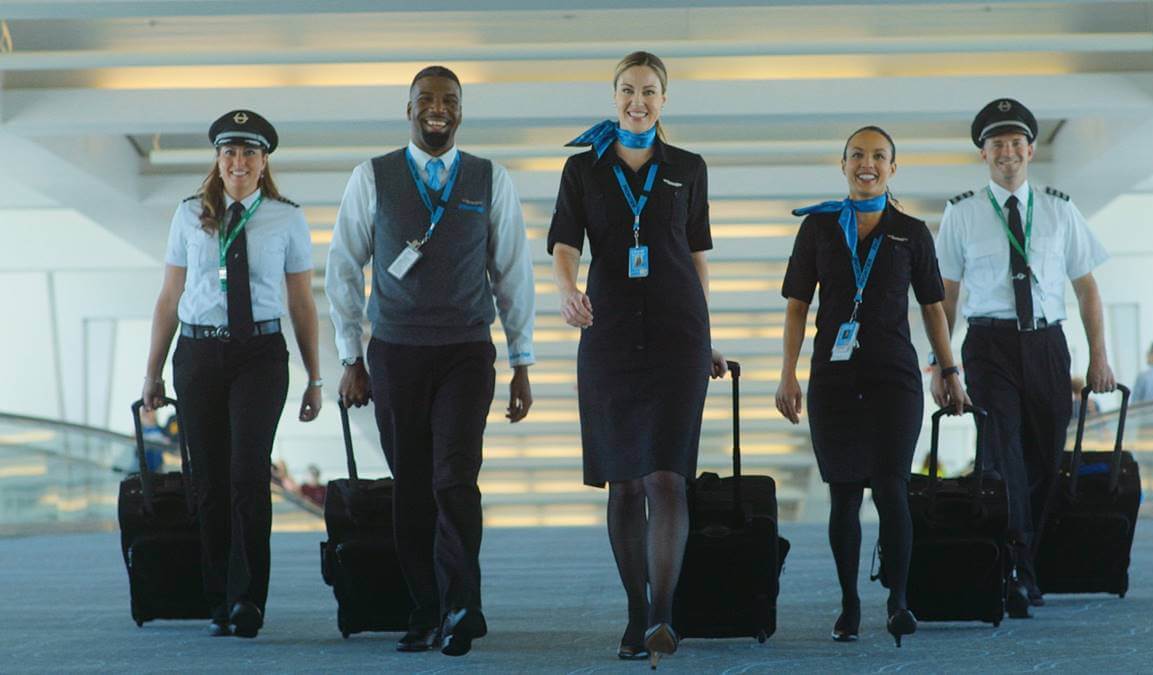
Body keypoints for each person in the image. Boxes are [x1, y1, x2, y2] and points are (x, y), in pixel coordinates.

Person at [325, 65, 536, 657]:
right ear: (408, 109)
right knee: (412, 488)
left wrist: (522, 360)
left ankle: (463, 606)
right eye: (425, 100)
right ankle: (424, 610)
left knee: (455, 479)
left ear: (461, 112)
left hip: (467, 350)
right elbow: (343, 267)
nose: (436, 108)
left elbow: (513, 270)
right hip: (394, 353)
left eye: (448, 100)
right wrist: (350, 356)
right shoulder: (373, 177)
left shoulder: (490, 179)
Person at [548, 51, 727, 667]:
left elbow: (696, 253)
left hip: (679, 334)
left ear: (664, 99)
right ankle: (633, 612)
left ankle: (663, 616)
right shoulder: (583, 169)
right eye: (628, 90)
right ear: (614, 96)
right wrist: (567, 289)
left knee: (666, 477)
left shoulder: (688, 168)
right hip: (609, 333)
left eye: (650, 91)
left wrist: (708, 333)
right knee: (624, 483)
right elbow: (565, 243)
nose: (637, 101)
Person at [776, 126, 968, 648]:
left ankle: (899, 601)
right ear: (842, 165)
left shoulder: (911, 231)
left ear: (893, 168)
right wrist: (788, 372)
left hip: (894, 379)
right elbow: (797, 306)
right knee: (842, 495)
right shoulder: (817, 228)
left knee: (891, 489)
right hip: (833, 379)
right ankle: (849, 605)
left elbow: (933, 308)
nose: (868, 163)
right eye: (858, 155)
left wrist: (948, 372)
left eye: (879, 156)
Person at [141, 109, 323, 639]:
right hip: (198, 356)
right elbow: (170, 297)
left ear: (264, 162)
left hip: (260, 355)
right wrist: (152, 373)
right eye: (229, 153)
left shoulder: (286, 218)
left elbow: (302, 303)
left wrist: (315, 377)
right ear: (218, 161)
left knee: (247, 475)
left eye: (248, 153)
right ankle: (218, 594)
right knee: (209, 481)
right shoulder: (188, 214)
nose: (238, 162)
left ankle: (247, 600)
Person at [932, 98, 1116, 617]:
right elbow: (945, 298)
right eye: (997, 145)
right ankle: (1014, 572)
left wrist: (1099, 358)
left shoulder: (1060, 209)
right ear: (983, 154)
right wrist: (940, 365)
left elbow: (1088, 290)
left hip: (1047, 346)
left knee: (1043, 458)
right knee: (1003, 455)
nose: (1007, 153)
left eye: (1016, 144)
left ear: (1031, 150)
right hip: (988, 346)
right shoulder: (962, 212)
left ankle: (1024, 563)